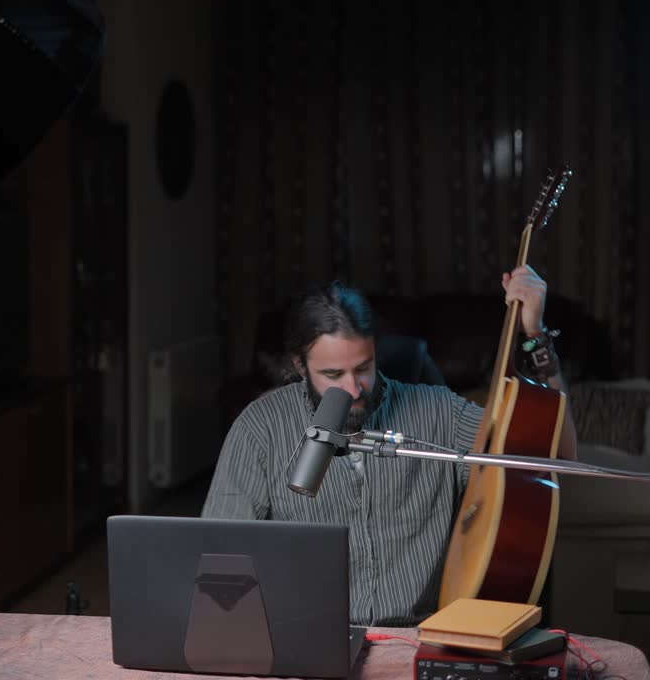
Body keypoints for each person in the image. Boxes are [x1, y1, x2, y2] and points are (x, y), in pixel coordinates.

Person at [201, 265, 578, 627]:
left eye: (362, 368)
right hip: (309, 635)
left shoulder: (440, 413)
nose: (352, 390)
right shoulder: (260, 427)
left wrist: (536, 336)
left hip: (420, 638)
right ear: (301, 366)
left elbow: (554, 456)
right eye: (333, 375)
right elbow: (219, 563)